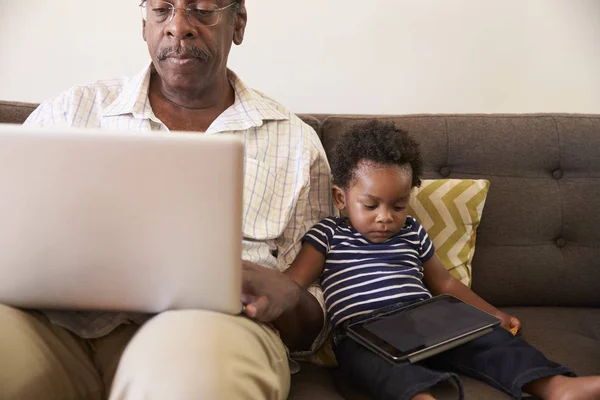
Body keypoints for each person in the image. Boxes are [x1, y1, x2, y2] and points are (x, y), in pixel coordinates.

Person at [0, 1, 335, 399]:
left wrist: (289, 294)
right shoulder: (70, 112)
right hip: (51, 327)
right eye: (162, 9)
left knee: (190, 379)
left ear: (238, 23)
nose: (179, 27)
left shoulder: (295, 143)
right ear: (145, 25)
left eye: (202, 9)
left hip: (212, 327)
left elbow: (316, 324)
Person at [285, 120, 600, 400]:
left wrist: (492, 314)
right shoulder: (328, 233)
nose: (385, 218)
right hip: (364, 331)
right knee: (368, 364)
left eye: (398, 206)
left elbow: (445, 282)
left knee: (492, 341)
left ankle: (555, 385)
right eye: (370, 206)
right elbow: (292, 284)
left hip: (426, 319)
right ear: (341, 198)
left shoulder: (411, 231)